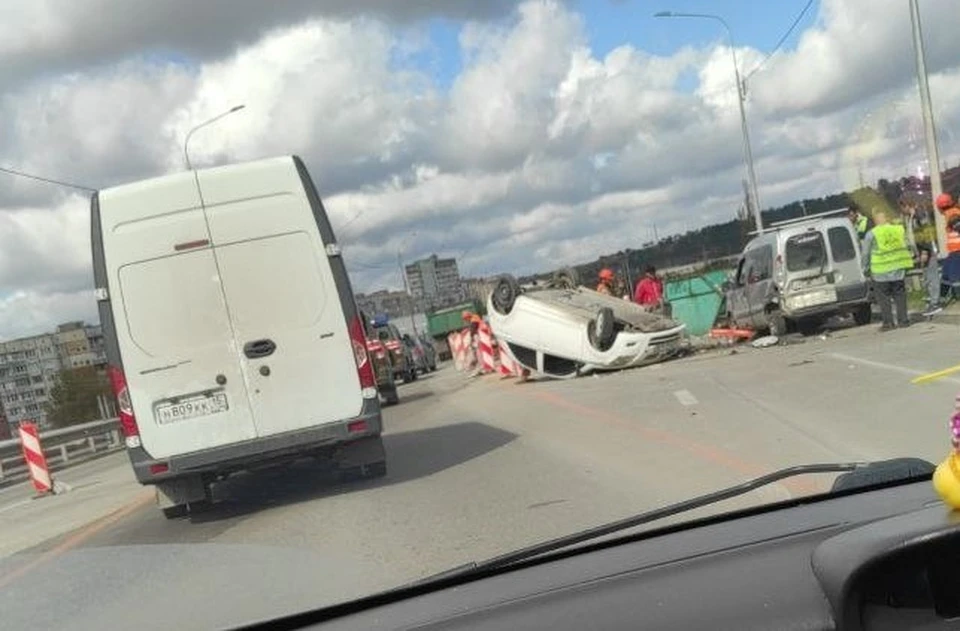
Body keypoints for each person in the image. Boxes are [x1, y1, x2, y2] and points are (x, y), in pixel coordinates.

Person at [862, 210, 916, 331]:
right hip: (898, 268)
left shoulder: (872, 234)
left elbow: (865, 253)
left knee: (884, 298)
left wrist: (865, 269)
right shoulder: (898, 229)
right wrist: (910, 259)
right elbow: (908, 245)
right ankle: (903, 320)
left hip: (880, 270)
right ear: (887, 218)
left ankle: (888, 323)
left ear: (875, 220)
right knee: (900, 295)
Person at [902, 198, 942, 316]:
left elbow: (926, 233)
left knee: (931, 277)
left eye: (902, 207)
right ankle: (932, 301)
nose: (902, 210)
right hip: (922, 251)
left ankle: (936, 303)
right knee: (927, 278)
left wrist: (925, 251)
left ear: (907, 205)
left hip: (928, 251)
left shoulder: (919, 215)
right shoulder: (912, 217)